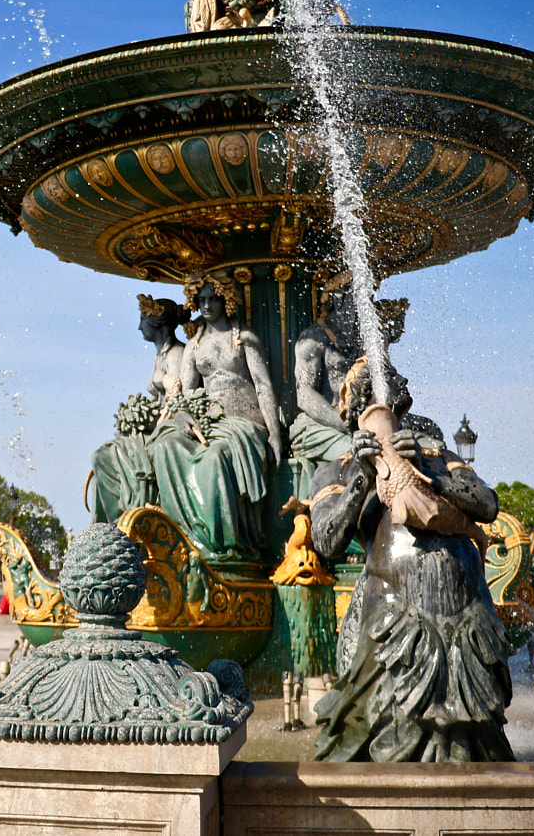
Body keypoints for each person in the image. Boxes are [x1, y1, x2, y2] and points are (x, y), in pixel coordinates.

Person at [300, 357, 514, 762]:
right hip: (395, 625)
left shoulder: (438, 455)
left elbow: (487, 505)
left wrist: (430, 473)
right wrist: (364, 477)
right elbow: (326, 541)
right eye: (364, 389)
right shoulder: (337, 470)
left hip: (465, 618)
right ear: (351, 412)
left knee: (475, 747)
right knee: (388, 738)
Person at [146, 271, 280, 561]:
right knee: (164, 446)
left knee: (215, 457)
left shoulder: (244, 339)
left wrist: (275, 436)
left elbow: (265, 387)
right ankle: (183, 537)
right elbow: (183, 393)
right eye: (201, 299)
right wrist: (181, 415)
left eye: (213, 299)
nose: (206, 305)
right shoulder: (194, 346)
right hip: (209, 422)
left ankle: (225, 542)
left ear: (226, 300)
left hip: (244, 421)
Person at [88, 294, 190, 524]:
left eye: (142, 319)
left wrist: (153, 427)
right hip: (157, 425)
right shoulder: (161, 356)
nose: (138, 327)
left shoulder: (176, 354)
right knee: (104, 454)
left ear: (156, 322)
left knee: (108, 455)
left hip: (169, 425)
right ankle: (112, 526)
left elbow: (177, 397)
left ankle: (126, 520)